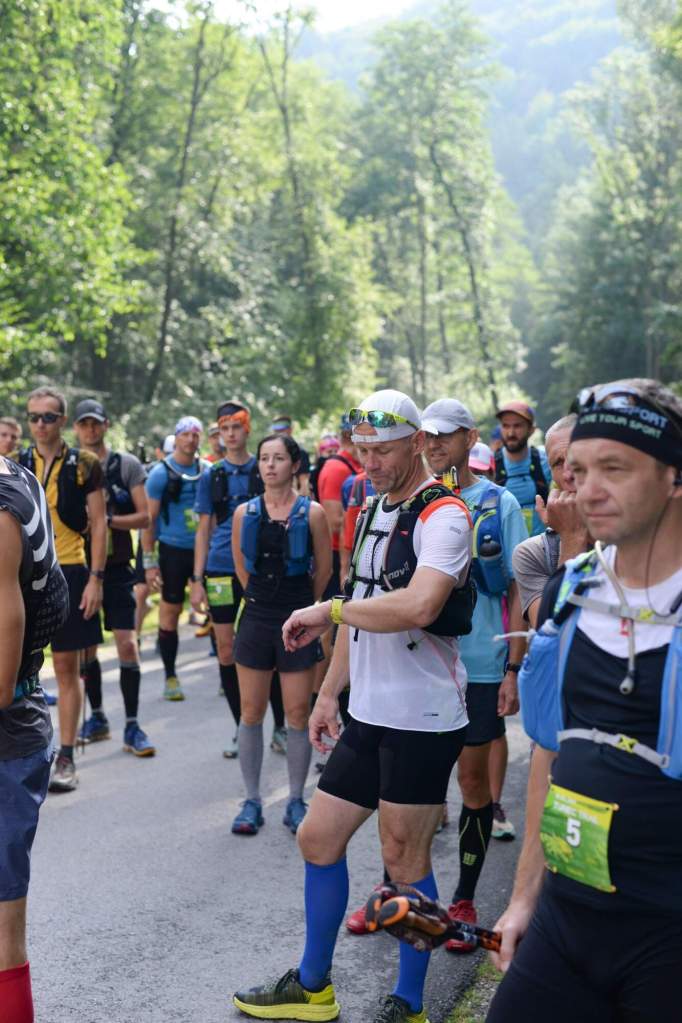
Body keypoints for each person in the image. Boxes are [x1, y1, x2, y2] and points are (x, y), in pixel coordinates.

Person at [233, 389, 473, 1023]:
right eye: (362, 450)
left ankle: (409, 1004)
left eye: (383, 450)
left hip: (423, 717)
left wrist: (329, 610)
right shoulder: (369, 509)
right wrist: (327, 694)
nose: (370, 462)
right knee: (318, 838)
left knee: (404, 861)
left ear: (417, 443)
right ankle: (312, 987)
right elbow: (357, 604)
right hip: (368, 710)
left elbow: (418, 605)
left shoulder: (445, 515)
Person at [488, 378, 682, 1022]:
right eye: (579, 469)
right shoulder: (571, 589)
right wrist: (524, 898)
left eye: (614, 469)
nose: (586, 490)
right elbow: (550, 754)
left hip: (666, 937)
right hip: (566, 917)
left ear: (674, 476)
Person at [419, 399, 527, 944]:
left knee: (471, 782)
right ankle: (401, 892)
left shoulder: (498, 501)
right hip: (420, 662)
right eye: (428, 435)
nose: (435, 444)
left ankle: (463, 899)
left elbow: (519, 585)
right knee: (413, 783)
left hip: (481, 663)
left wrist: (513, 667)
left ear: (470, 438)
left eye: (446, 435)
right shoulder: (417, 498)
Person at [229, 433, 332, 836]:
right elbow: (242, 569)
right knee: (250, 711)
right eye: (264, 458)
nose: (270, 465)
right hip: (256, 617)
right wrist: (264, 602)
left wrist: (304, 610)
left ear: (294, 464)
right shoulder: (244, 513)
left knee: (297, 712)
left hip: (298, 616)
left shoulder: (314, 513)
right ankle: (251, 800)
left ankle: (295, 800)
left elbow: (323, 570)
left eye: (278, 458)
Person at [0, 449, 69, 1022]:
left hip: (8, 727)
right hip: (21, 717)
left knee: (4, 930)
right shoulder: (15, 474)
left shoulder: (1, 508)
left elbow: (8, 619)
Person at [20, 387, 107, 793]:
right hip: (24, 576)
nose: (40, 424)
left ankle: (67, 756)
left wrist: (96, 579)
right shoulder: (16, 462)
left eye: (49, 417)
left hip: (70, 570)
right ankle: (25, 754)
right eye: (34, 417)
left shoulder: (84, 463)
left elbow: (100, 523)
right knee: (19, 668)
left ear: (62, 421)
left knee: (67, 667)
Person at [72, 400, 155, 757]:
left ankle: (133, 725)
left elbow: (145, 517)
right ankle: (98, 717)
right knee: (86, 648)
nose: (90, 430)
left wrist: (107, 521)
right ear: (75, 428)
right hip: (81, 567)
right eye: (83, 424)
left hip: (119, 567)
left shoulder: (125, 465)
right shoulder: (70, 465)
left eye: (95, 423)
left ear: (106, 425)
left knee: (127, 643)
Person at [191, 400, 267, 758]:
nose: (231, 434)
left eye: (236, 427)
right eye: (225, 429)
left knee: (266, 645)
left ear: (246, 429)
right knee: (225, 648)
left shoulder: (263, 467)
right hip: (220, 569)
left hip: (258, 568)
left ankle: (280, 725)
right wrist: (196, 579)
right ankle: (241, 726)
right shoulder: (212, 475)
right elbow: (203, 528)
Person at [143, 416, 204, 701]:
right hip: (172, 550)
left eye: (195, 435)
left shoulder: (207, 470)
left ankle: (227, 670)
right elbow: (149, 520)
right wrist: (149, 562)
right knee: (171, 611)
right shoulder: (160, 473)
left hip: (205, 550)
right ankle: (170, 675)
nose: (190, 439)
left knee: (218, 610)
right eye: (185, 434)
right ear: (176, 438)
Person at [512, 413, 591, 628]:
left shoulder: (636, 534)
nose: (568, 474)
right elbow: (553, 630)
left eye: (576, 458)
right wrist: (571, 537)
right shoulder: (533, 554)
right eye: (558, 463)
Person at [494, 401, 551, 537]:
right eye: (505, 426)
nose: (511, 433)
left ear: (531, 430)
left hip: (542, 545)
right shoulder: (491, 465)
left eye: (517, 426)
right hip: (506, 546)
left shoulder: (546, 461)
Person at [270, 414, 311, 494]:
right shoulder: (270, 453)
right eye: (276, 431)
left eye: (282, 430)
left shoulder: (300, 453)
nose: (278, 434)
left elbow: (304, 486)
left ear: (290, 430)